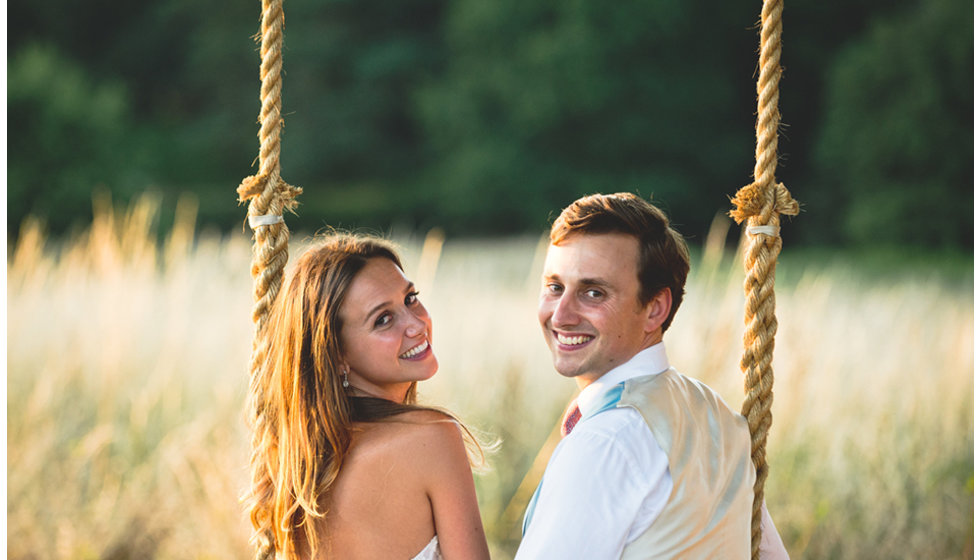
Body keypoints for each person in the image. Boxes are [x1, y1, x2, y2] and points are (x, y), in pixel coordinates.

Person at [517, 193, 789, 559]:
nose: (561, 314)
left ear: (654, 308)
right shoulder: (715, 413)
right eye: (554, 287)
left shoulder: (606, 440)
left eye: (593, 292)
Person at [245, 233, 491, 560]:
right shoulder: (432, 437)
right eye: (383, 319)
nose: (416, 324)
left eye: (410, 298)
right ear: (336, 354)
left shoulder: (297, 473)